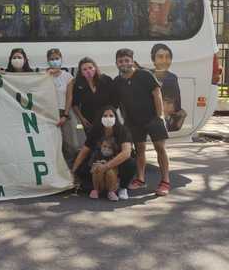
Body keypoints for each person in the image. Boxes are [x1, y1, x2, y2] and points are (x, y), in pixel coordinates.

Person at [113, 48, 171, 196]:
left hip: (153, 118)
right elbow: (116, 103)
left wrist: (160, 116)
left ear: (132, 61)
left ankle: (165, 181)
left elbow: (156, 93)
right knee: (139, 150)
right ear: (117, 63)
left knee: (160, 148)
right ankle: (140, 179)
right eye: (121, 61)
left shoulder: (144, 74)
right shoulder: (117, 81)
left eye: (127, 60)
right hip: (133, 122)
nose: (124, 63)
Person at [71, 106, 136, 201]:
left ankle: (123, 187)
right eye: (105, 116)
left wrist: (106, 166)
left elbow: (126, 153)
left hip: (117, 162)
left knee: (130, 163)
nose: (108, 118)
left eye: (111, 115)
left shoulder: (123, 131)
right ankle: (96, 187)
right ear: (100, 118)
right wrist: (73, 170)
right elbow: (84, 151)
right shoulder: (95, 131)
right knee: (80, 160)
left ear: (116, 118)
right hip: (98, 159)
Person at [68, 57, 115, 134]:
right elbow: (75, 104)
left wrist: (110, 117)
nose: (88, 71)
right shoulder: (78, 85)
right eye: (85, 69)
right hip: (89, 121)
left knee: (108, 143)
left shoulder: (106, 80)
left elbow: (114, 100)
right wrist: (82, 119)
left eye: (90, 68)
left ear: (95, 68)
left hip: (107, 119)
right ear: (81, 72)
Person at [45, 48, 75, 161]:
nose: (54, 61)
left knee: (68, 142)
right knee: (51, 143)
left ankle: (70, 169)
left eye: (57, 58)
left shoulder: (68, 76)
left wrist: (65, 115)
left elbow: (69, 97)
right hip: (48, 113)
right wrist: (46, 75)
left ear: (61, 59)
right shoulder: (43, 75)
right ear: (48, 61)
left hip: (63, 112)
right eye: (51, 59)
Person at [150, 43, 186, 132]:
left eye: (168, 57)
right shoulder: (147, 75)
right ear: (153, 60)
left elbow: (177, 103)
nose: (164, 61)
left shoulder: (172, 78)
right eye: (160, 57)